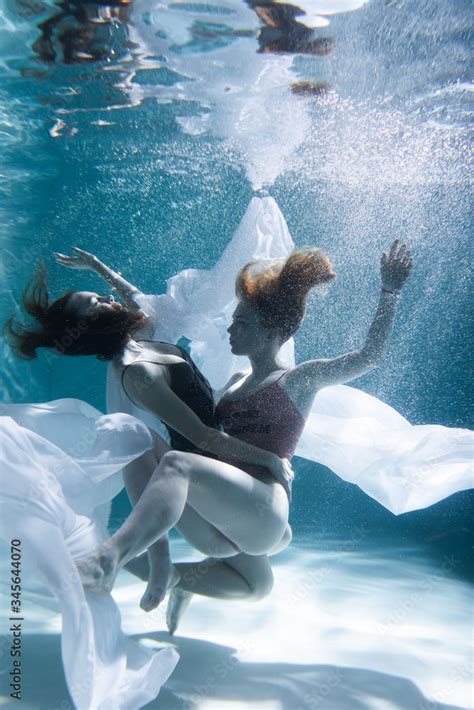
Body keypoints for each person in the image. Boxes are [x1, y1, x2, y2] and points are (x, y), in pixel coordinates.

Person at [37, 238, 412, 636]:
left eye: (242, 322)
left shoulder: (301, 379)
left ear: (271, 331)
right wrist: (102, 274)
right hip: (233, 515)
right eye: (234, 319)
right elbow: (198, 426)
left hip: (265, 508)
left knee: (176, 464)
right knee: (255, 584)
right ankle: (177, 579)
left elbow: (369, 357)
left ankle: (109, 558)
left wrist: (390, 292)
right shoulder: (231, 385)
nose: (230, 327)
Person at [6, 253, 298, 614]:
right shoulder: (137, 372)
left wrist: (100, 266)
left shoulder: (143, 341)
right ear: (92, 325)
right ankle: (119, 560)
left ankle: (176, 580)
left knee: (258, 586)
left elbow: (137, 303)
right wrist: (270, 459)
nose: (108, 298)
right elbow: (203, 438)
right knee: (136, 437)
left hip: (230, 492)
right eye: (97, 302)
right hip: (210, 513)